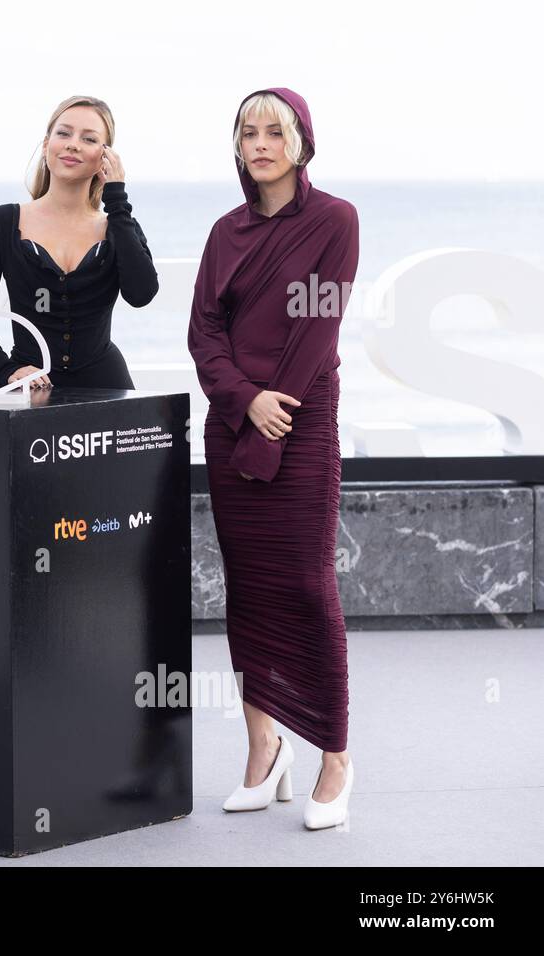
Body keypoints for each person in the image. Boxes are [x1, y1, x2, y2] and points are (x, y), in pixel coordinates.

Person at [186, 88, 359, 830]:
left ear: (300, 141)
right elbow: (203, 333)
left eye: (273, 132)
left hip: (301, 421)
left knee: (310, 588)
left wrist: (271, 407)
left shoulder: (334, 221)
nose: (260, 144)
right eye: (247, 132)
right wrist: (242, 402)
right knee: (248, 589)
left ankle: (335, 760)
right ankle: (264, 751)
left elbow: (318, 328)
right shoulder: (224, 232)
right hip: (231, 425)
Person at [0, 95, 158, 389]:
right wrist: (5, 370)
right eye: (63, 133)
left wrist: (117, 199)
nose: (73, 143)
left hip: (107, 389)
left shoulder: (119, 225)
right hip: (30, 391)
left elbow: (141, 294)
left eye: (89, 139)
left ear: (105, 157)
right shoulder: (3, 221)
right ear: (46, 145)